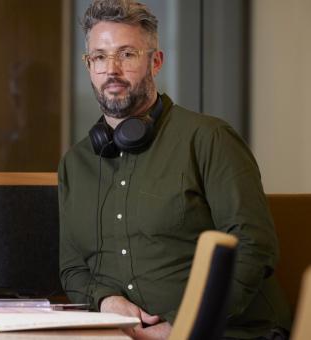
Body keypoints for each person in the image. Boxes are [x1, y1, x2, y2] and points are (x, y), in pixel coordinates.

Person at [57, 0, 292, 339]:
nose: (111, 70)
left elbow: (253, 246)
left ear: (156, 62)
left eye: (126, 54)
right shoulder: (74, 164)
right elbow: (73, 268)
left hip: (227, 332)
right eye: (99, 56)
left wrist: (183, 326)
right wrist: (106, 301)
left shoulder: (209, 139)